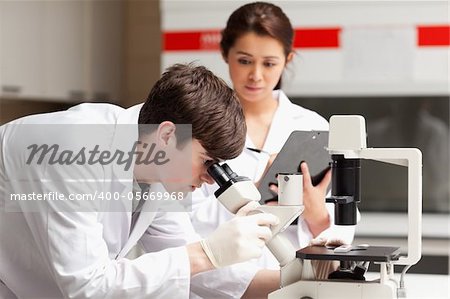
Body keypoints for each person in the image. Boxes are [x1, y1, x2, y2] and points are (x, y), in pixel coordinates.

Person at [0, 63, 280, 299]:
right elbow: (87, 285)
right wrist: (207, 253)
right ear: (168, 135)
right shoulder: (73, 151)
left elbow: (194, 266)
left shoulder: (156, 162)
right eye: (207, 161)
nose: (210, 179)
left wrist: (292, 283)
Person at [189, 2, 356, 298]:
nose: (256, 75)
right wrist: (252, 193)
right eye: (244, 61)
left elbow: (342, 228)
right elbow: (179, 219)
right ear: (225, 54)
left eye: (269, 63)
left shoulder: (312, 127)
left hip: (294, 285)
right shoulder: (198, 124)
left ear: (287, 59)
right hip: (216, 285)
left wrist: (318, 217)